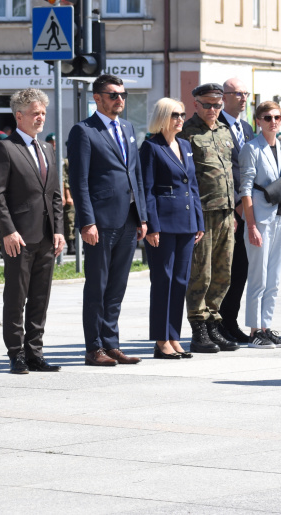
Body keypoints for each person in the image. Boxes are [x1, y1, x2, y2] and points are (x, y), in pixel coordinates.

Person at [68, 75, 148, 366]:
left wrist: (142, 217)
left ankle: (112, 344)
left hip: (128, 219)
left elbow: (135, 175)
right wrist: (86, 221)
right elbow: (79, 181)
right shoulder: (84, 131)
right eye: (113, 95)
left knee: (117, 286)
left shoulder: (127, 128)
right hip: (100, 221)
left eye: (123, 94)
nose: (120, 100)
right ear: (98, 98)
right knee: (98, 286)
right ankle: (94, 348)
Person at [0, 88, 66, 374]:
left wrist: (59, 230)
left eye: (43, 113)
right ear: (19, 115)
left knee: (40, 297)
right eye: (36, 113)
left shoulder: (46, 148)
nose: (41, 118)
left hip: (46, 236)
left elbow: (54, 194)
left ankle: (35, 352)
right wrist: (8, 231)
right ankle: (16, 353)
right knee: (16, 296)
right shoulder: (5, 148)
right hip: (19, 238)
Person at [139, 98, 204, 359]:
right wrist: (152, 226)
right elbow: (147, 190)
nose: (180, 119)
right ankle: (160, 339)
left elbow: (193, 187)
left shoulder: (185, 145)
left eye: (183, 114)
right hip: (163, 225)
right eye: (175, 114)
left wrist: (198, 221)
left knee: (180, 281)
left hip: (187, 224)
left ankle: (174, 336)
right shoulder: (151, 147)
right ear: (163, 117)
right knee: (163, 281)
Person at [178, 84, 239, 353]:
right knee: (200, 273)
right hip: (201, 214)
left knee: (223, 273)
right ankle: (198, 327)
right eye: (207, 105)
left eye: (217, 105)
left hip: (226, 213)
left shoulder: (225, 132)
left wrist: (233, 211)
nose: (213, 110)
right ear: (196, 105)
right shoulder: (186, 132)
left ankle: (214, 323)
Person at [239, 101, 281, 349]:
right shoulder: (251, 148)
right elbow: (246, 189)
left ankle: (266, 325)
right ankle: (254, 330)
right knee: (258, 275)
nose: (273, 121)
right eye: (267, 117)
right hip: (260, 217)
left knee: (274, 277)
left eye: (277, 117)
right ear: (258, 121)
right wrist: (251, 225)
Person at [217, 77, 254, 344]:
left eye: (245, 93)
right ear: (224, 97)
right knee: (223, 272)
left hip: (248, 210)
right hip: (227, 211)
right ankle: (217, 323)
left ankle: (231, 321)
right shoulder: (215, 126)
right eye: (237, 93)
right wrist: (236, 203)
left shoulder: (247, 128)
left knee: (241, 270)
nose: (243, 98)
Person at [46, 132, 74, 252]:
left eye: (55, 143)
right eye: (51, 142)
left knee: (69, 218)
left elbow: (65, 178)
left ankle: (72, 245)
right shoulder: (46, 156)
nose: (54, 145)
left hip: (62, 192)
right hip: (51, 193)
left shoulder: (61, 160)